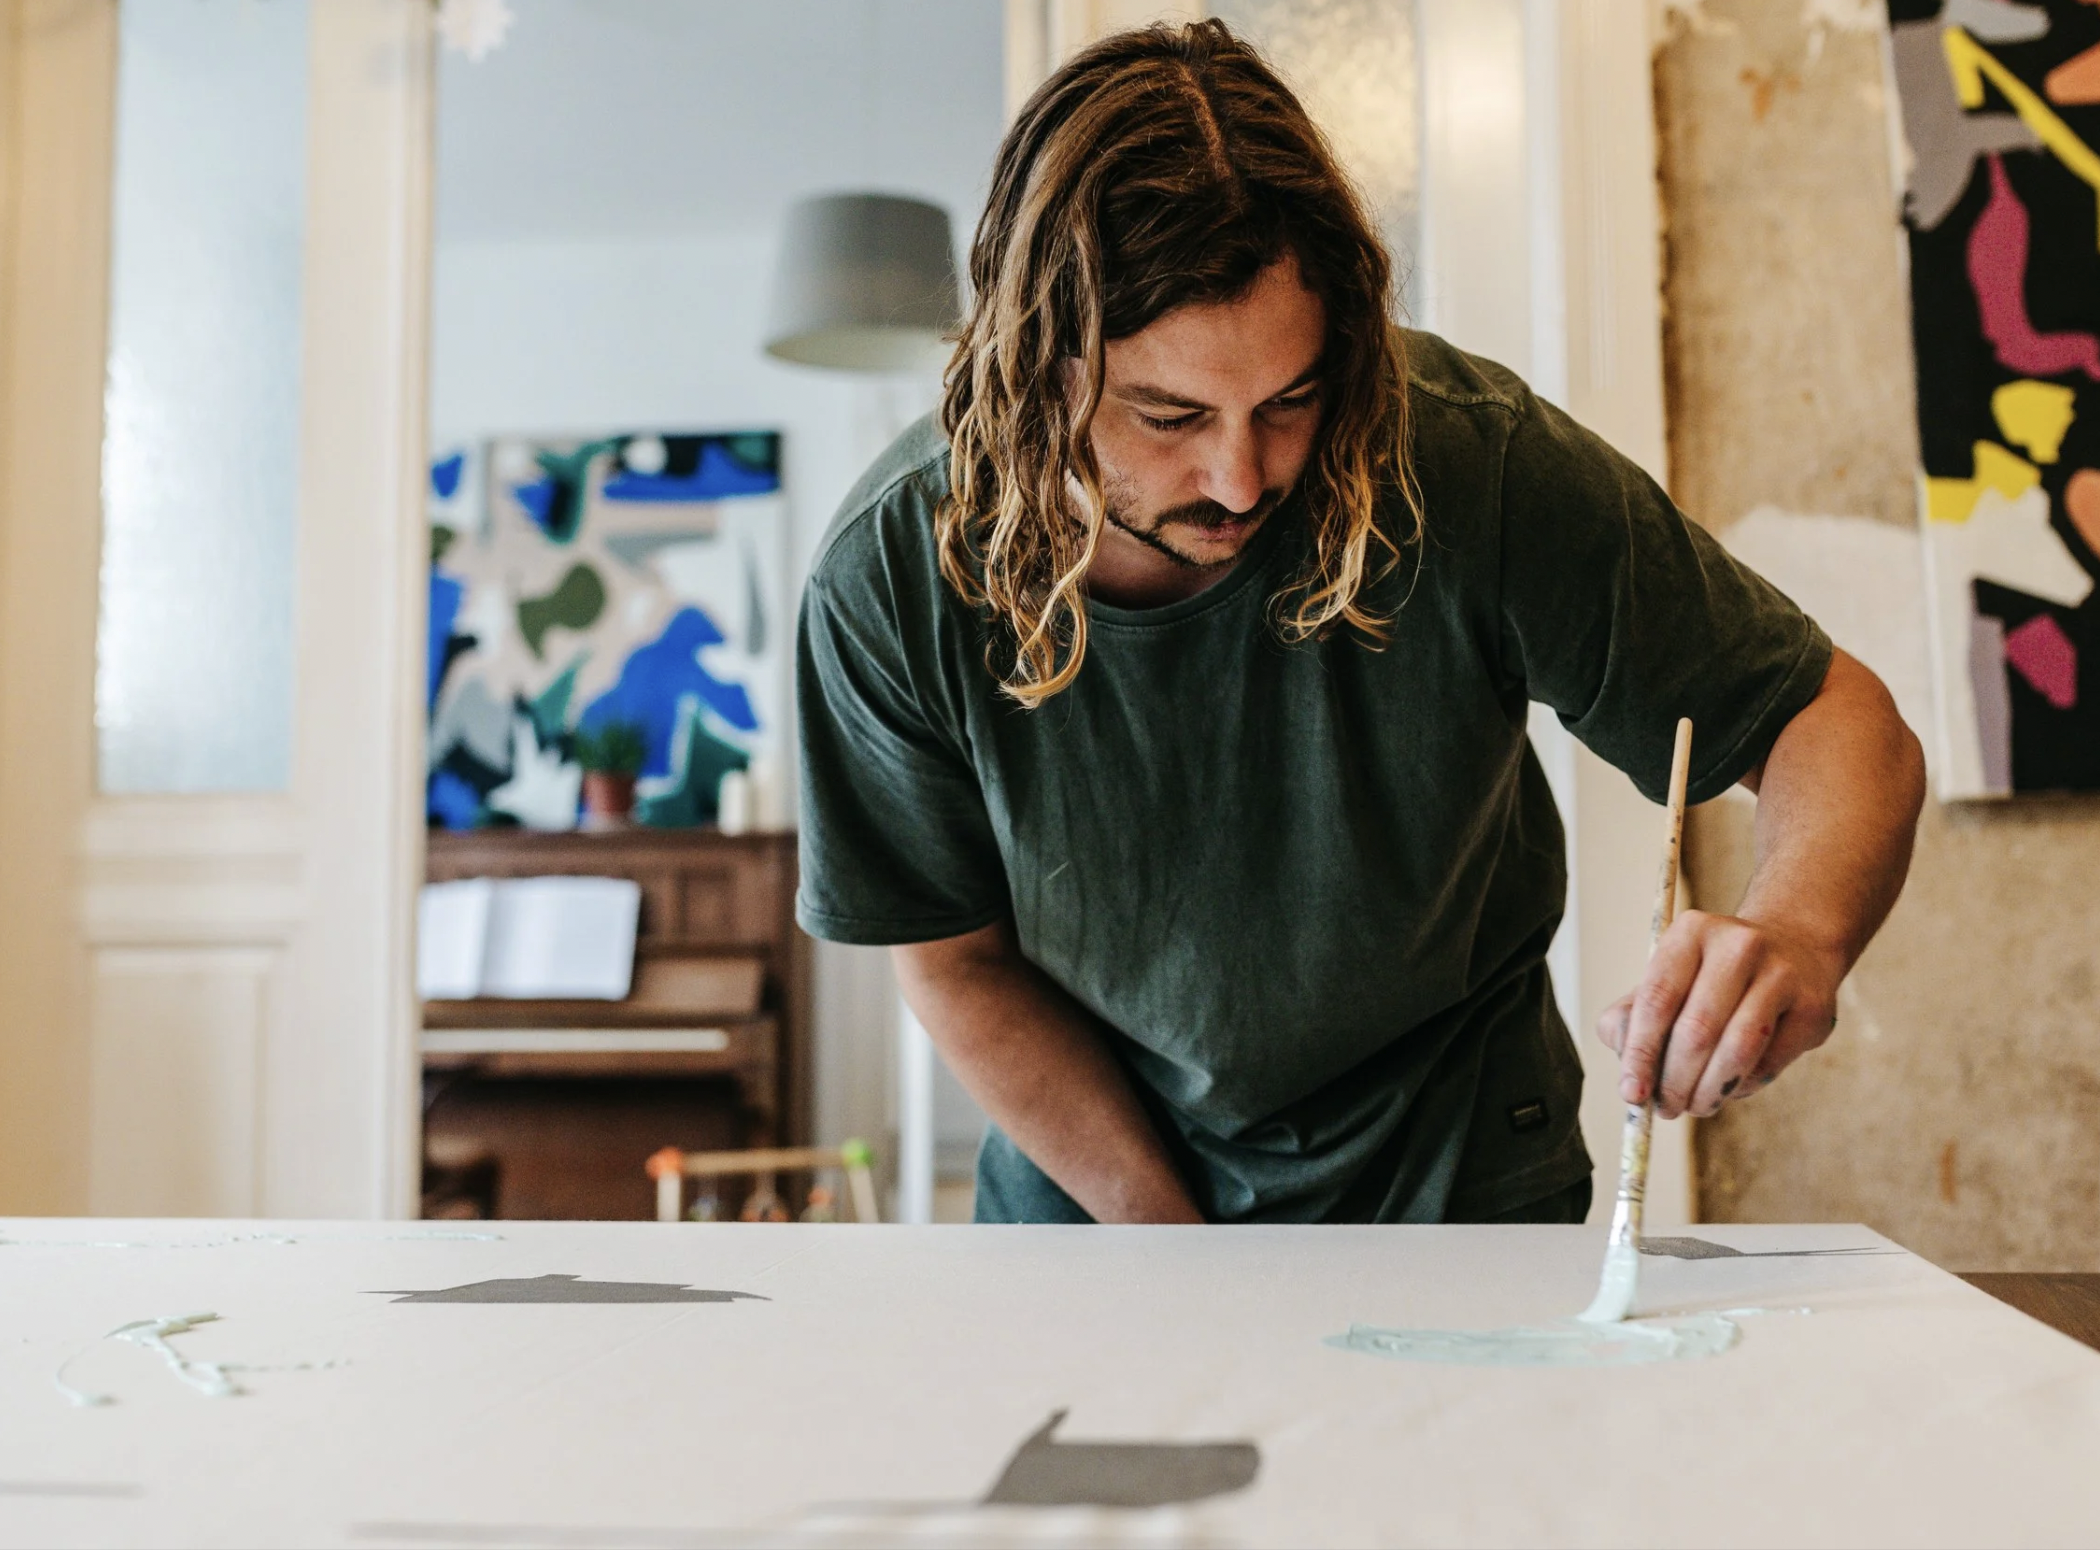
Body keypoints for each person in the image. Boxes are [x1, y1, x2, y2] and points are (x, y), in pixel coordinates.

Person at [793, 20, 1925, 1226]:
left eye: (1290, 398)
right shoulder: (892, 574)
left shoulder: (1466, 460)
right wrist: (1175, 1247)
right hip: (1100, 1203)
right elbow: (953, 960)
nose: (1241, 477)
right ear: (1035, 368)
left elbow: (1835, 721)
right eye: (1168, 417)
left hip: (1463, 1181)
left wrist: (1799, 931)